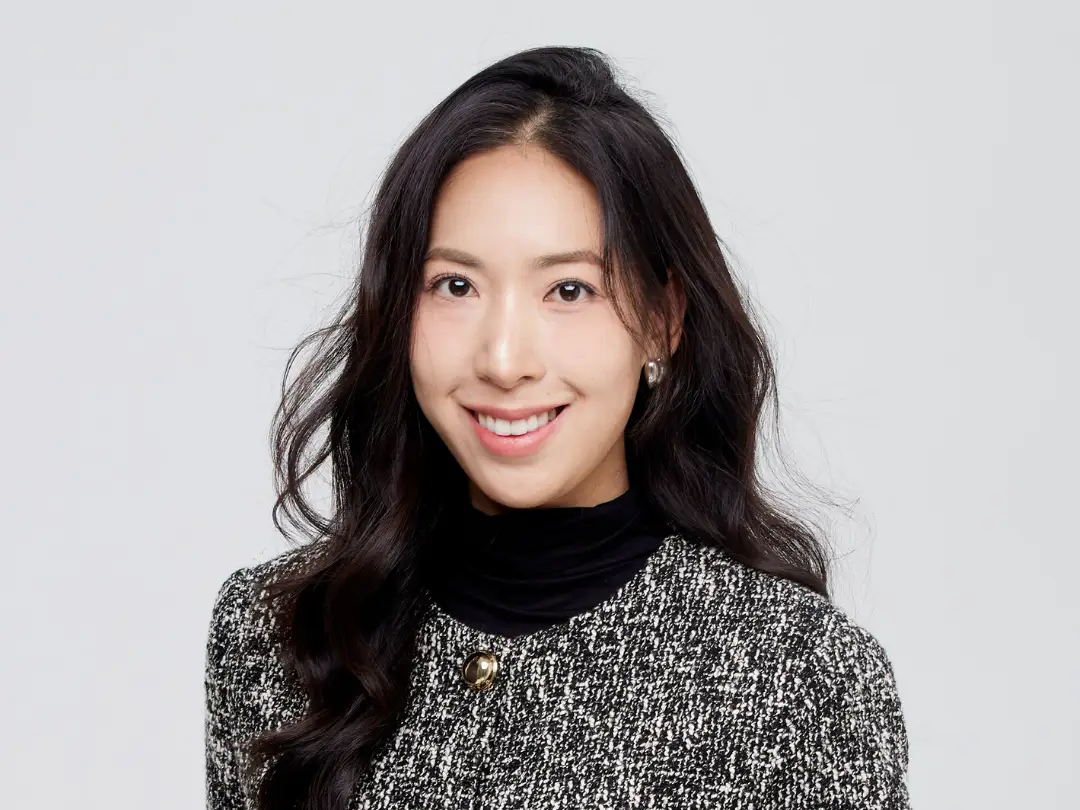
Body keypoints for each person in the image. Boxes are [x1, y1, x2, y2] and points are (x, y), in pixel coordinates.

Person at [204, 45, 911, 810]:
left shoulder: (795, 678)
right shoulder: (279, 633)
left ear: (662, 322)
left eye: (569, 289)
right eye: (455, 285)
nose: (504, 359)